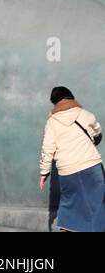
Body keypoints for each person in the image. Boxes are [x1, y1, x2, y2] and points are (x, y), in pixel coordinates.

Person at [39, 85, 104, 233]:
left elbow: (47, 149)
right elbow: (97, 132)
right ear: (71, 97)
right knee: (97, 208)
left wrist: (44, 173)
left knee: (69, 209)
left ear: (55, 103)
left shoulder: (52, 122)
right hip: (92, 168)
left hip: (68, 172)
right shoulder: (85, 114)